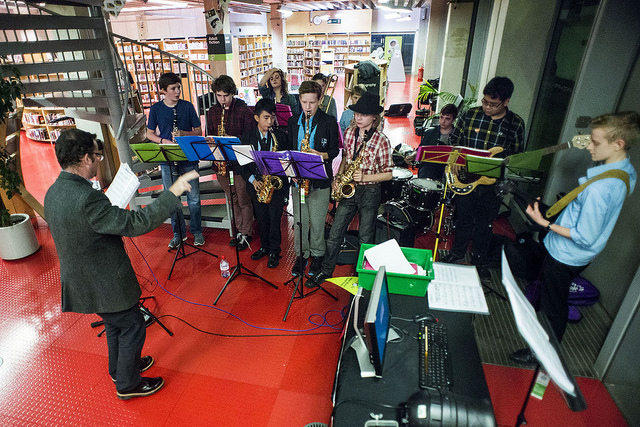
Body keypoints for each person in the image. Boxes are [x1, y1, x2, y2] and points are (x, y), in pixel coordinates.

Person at [44, 129, 198, 400]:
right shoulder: (87, 198)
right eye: (97, 155)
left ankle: (119, 368)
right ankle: (127, 384)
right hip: (104, 280)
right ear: (84, 158)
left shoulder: (54, 191)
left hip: (83, 279)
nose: (99, 161)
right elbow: (136, 224)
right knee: (133, 324)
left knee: (116, 323)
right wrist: (172, 193)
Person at [510, 111, 638, 365]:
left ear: (618, 144)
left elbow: (584, 237)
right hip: (575, 254)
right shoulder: (625, 170)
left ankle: (543, 355)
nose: (589, 146)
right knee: (551, 299)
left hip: (566, 256)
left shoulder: (600, 190)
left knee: (552, 308)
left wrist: (544, 223)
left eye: (595, 142)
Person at [306, 92, 393, 288]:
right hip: (350, 187)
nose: (358, 118)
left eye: (363, 114)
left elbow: (388, 174)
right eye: (356, 114)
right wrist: (339, 177)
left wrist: (366, 177)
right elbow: (346, 158)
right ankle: (326, 271)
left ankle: (363, 276)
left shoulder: (382, 140)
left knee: (365, 235)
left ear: (374, 117)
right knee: (336, 232)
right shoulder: (349, 133)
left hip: (370, 190)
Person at [441, 77, 525, 278]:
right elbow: (455, 142)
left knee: (485, 224)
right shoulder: (471, 115)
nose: (487, 107)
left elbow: (517, 156)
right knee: (463, 219)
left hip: (492, 184)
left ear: (506, 102)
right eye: (485, 102)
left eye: (493, 104)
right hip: (465, 178)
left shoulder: (515, 124)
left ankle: (480, 261)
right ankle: (457, 253)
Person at [287, 80, 340, 277]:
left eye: (312, 103)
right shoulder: (293, 122)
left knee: (317, 223)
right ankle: (301, 254)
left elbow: (334, 150)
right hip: (298, 181)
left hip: (319, 181)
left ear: (319, 101)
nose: (308, 107)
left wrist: (320, 155)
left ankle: (318, 255)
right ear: (299, 100)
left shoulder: (328, 122)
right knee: (300, 221)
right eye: (304, 102)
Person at [146, 72, 204, 249]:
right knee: (172, 198)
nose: (178, 91)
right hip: (168, 158)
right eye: (173, 88)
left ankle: (197, 231)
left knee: (193, 198)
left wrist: (183, 134)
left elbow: (198, 131)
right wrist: (164, 141)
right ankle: (178, 233)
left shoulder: (187, 106)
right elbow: (149, 134)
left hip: (188, 157)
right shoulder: (156, 109)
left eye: (178, 87)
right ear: (163, 90)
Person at [206, 75, 256, 250]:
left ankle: (246, 232)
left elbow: (251, 138)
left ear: (232, 93)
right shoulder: (212, 112)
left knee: (243, 199)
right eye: (219, 96)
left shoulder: (243, 110)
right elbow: (209, 136)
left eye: (225, 96)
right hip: (221, 164)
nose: (222, 100)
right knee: (232, 198)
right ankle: (239, 231)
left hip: (239, 164)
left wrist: (234, 140)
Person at [240, 98, 290, 268]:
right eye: (266, 118)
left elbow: (287, 164)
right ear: (256, 118)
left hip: (275, 185)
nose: (270, 122)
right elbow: (242, 165)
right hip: (257, 185)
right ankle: (265, 247)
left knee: (275, 219)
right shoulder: (246, 137)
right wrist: (253, 181)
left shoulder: (281, 137)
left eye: (272, 118)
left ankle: (275, 250)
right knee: (261, 219)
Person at [405, 103, 458, 180]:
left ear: (453, 120)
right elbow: (420, 148)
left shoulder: (458, 136)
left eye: (447, 119)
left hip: (447, 168)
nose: (443, 121)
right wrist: (413, 155)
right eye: (441, 117)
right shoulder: (430, 133)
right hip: (429, 167)